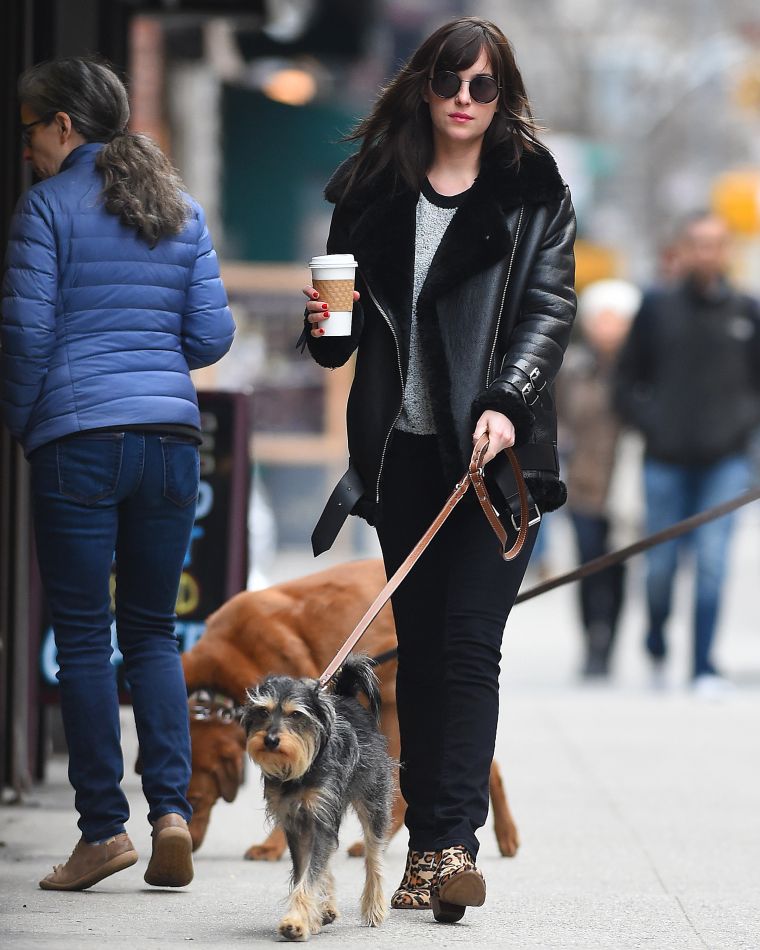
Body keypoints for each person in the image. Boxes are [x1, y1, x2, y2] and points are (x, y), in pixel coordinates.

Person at [300, 17, 576, 922]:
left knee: (467, 651)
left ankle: (449, 845)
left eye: (483, 87)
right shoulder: (373, 188)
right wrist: (321, 325)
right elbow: (337, 353)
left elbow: (548, 303)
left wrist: (507, 398)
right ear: (425, 86)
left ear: (503, 97)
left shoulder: (530, 187)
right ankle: (429, 847)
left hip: (496, 465)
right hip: (404, 458)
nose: (465, 100)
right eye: (451, 83)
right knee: (417, 658)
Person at [0, 58, 235, 890]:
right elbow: (209, 339)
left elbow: (26, 340)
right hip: (171, 443)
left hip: (78, 443)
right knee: (150, 634)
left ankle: (105, 831)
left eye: (29, 129)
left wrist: (28, 425)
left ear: (64, 125)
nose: (24, 146)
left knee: (86, 638)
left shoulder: (47, 208)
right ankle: (171, 811)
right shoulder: (179, 208)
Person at [615, 212, 760, 694]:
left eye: (715, 244)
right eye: (698, 243)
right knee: (659, 568)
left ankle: (702, 666)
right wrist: (650, 424)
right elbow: (625, 379)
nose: (707, 253)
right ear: (683, 248)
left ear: (726, 251)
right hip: (666, 461)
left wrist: (744, 428)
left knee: (714, 563)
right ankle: (656, 634)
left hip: (725, 461)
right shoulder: (656, 307)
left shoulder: (745, 310)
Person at [557, 279, 641, 677]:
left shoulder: (641, 369)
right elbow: (556, 417)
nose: (608, 328)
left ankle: (610, 642)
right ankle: (592, 638)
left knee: (618, 566)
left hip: (626, 486)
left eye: (616, 320)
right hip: (583, 485)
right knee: (588, 565)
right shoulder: (572, 367)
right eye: (602, 319)